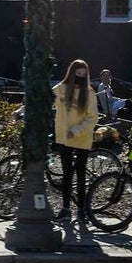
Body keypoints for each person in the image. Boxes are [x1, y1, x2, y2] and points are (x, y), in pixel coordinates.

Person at [52, 59, 98, 222]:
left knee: (80, 174)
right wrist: (21, 110)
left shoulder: (89, 92)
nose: (80, 77)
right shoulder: (62, 89)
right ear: (72, 73)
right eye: (78, 74)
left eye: (83, 75)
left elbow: (93, 117)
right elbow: (44, 100)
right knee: (67, 174)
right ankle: (65, 209)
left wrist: (76, 130)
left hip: (82, 138)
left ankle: (81, 210)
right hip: (65, 138)